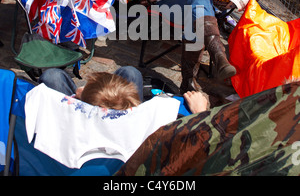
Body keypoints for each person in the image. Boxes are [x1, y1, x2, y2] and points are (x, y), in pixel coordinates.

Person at [39, 67, 209, 115]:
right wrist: (201, 113)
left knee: (51, 76)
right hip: (128, 118)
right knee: (130, 73)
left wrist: (82, 97)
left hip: (84, 119)